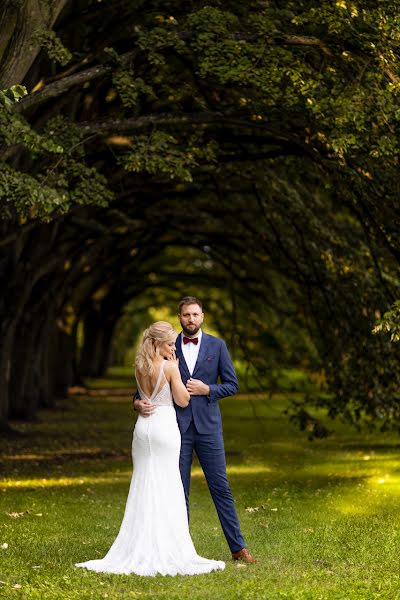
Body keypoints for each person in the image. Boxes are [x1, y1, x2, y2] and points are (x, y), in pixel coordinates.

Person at [75, 321, 225, 576]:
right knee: (167, 485)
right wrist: (176, 370)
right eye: (169, 344)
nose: (172, 348)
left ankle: (140, 543)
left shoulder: (140, 366)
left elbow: (141, 397)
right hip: (164, 428)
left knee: (143, 483)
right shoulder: (169, 367)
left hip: (143, 430)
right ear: (157, 343)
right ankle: (166, 546)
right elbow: (183, 399)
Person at [134, 297, 256, 563]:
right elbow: (145, 385)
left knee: (220, 487)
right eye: (186, 315)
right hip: (175, 430)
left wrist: (208, 389)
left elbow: (233, 385)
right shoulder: (166, 344)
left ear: (203, 316)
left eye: (196, 314)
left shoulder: (217, 345)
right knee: (178, 490)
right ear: (179, 317)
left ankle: (238, 548)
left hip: (209, 428)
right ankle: (180, 550)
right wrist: (137, 403)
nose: (191, 319)